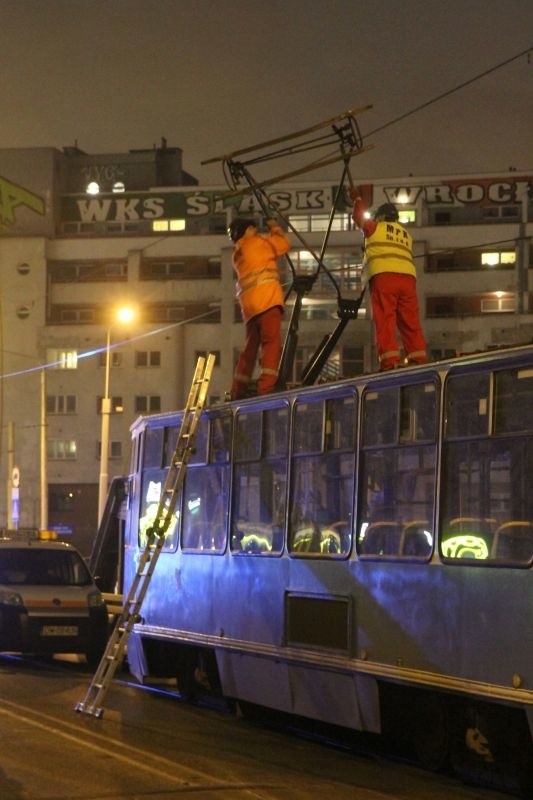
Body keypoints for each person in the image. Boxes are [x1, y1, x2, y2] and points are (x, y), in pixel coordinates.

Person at [350, 188, 428, 370]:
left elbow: (359, 217)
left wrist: (357, 199)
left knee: (385, 320)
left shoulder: (376, 227)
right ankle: (418, 358)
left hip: (384, 277)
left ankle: (389, 362)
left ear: (381, 217)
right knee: (410, 321)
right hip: (408, 280)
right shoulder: (406, 235)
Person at [228, 217, 291, 399]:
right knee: (271, 343)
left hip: (250, 308)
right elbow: (283, 244)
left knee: (250, 349)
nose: (256, 232)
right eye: (253, 229)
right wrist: (274, 226)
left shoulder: (237, 253)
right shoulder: (256, 243)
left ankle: (238, 388)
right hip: (267, 301)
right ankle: (266, 388)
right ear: (247, 230)